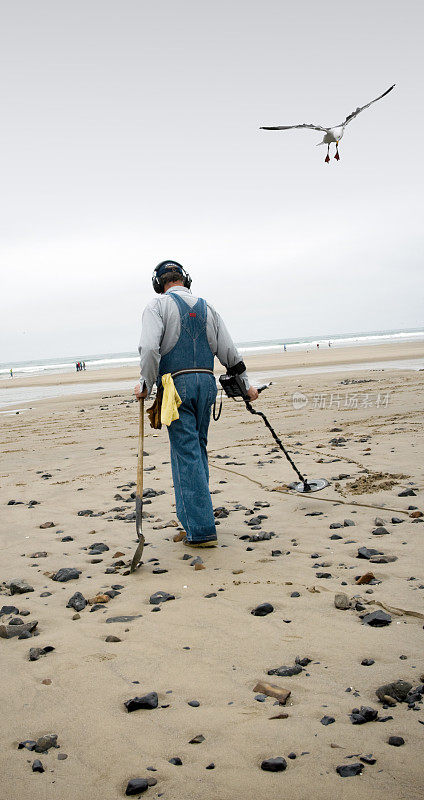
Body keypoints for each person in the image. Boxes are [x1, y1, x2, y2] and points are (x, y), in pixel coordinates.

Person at [134, 260, 258, 547]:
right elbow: (229, 351)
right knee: (197, 449)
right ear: (185, 279)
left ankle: (200, 529)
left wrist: (145, 384)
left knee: (186, 452)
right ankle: (197, 518)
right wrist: (247, 386)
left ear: (158, 282)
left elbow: (150, 348)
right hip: (206, 384)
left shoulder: (156, 306)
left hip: (175, 385)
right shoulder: (207, 307)